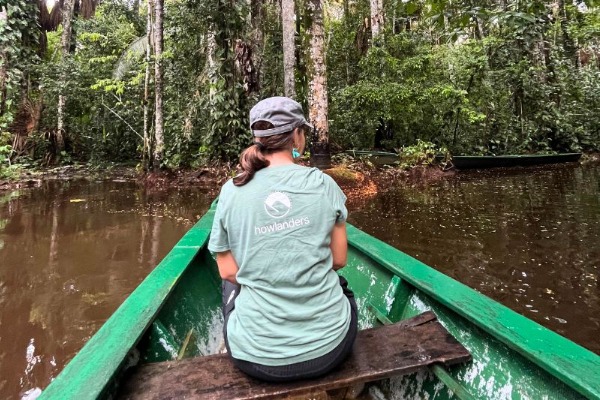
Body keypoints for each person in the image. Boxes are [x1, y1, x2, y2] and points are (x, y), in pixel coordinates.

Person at [208, 96, 358, 382]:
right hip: (331, 351)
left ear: (259, 139)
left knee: (229, 286)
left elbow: (227, 271)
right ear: (297, 136)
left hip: (255, 358)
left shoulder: (231, 190)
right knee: (341, 286)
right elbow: (338, 260)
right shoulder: (323, 183)